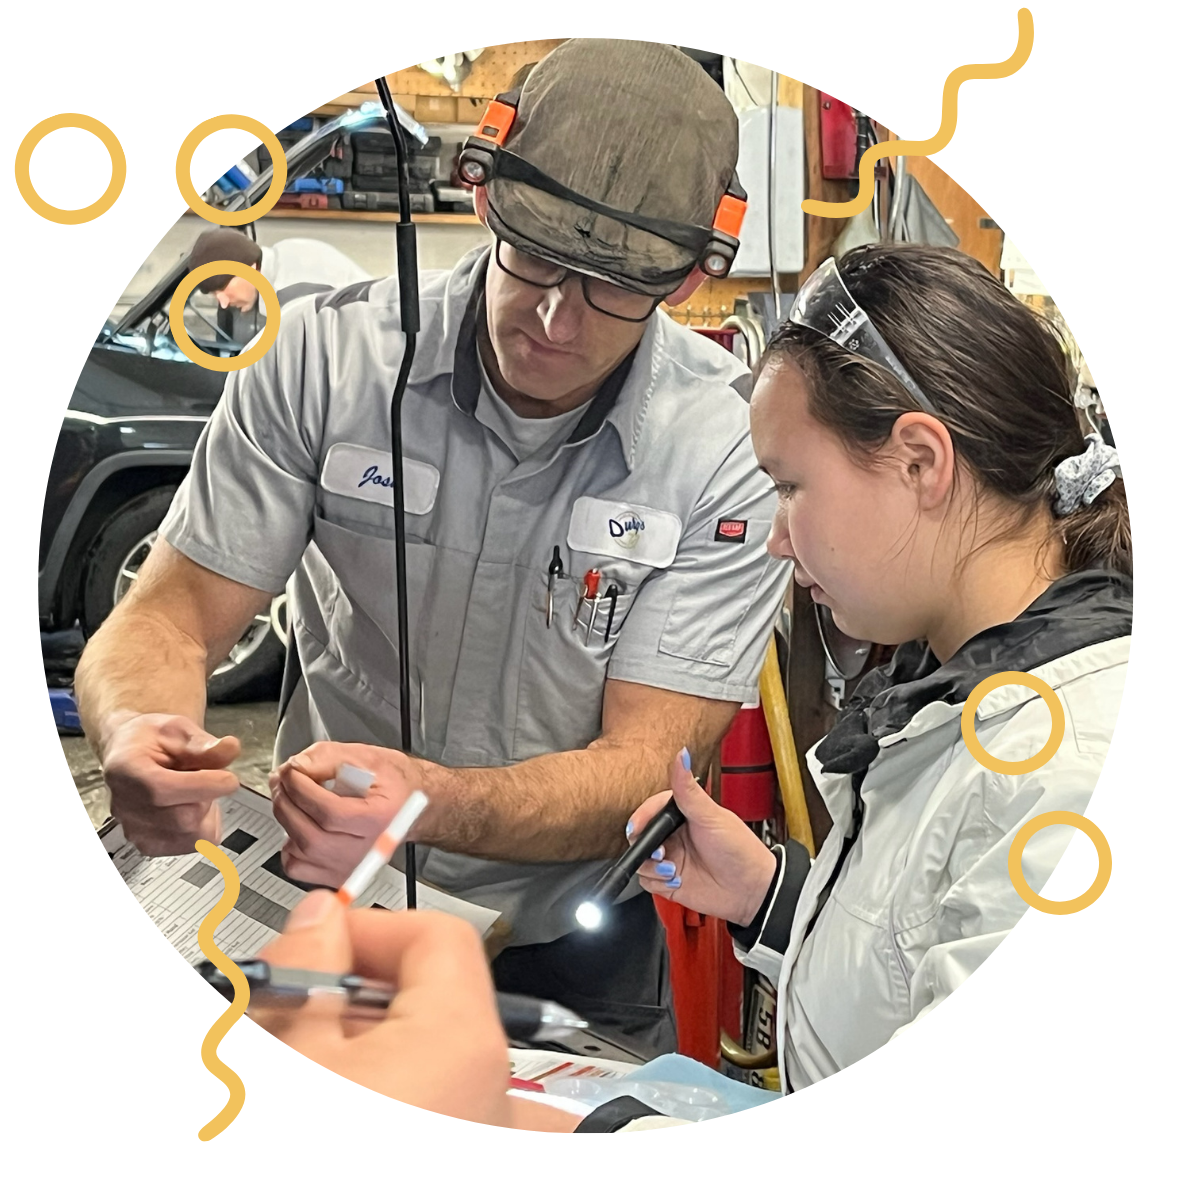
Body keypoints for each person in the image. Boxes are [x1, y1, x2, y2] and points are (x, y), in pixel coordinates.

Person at [250, 242, 1130, 1132]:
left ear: (919, 462)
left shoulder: (1065, 774)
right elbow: (924, 969)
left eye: (791, 487)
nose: (779, 540)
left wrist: (534, 1126)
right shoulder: (962, 694)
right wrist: (779, 900)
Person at [75, 38, 791, 1058]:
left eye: (610, 287)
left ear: (682, 282)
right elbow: (173, 613)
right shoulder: (322, 361)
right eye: (534, 253)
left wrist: (428, 802)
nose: (553, 315)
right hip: (324, 907)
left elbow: (639, 767)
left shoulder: (727, 448)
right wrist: (138, 731)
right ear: (481, 194)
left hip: (571, 951)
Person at [186, 227, 371, 313]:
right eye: (215, 295)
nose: (224, 303)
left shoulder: (290, 297)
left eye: (223, 289)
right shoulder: (286, 251)